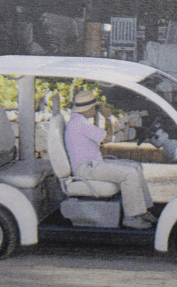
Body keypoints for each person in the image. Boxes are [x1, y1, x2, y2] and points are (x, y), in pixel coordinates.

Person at [64, 89, 157, 229]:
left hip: (93, 164)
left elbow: (101, 137)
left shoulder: (78, 121)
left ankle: (143, 211)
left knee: (135, 166)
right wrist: (107, 117)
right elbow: (107, 138)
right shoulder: (79, 123)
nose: (96, 110)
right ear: (87, 108)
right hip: (86, 168)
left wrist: (101, 116)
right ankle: (130, 218)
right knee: (129, 174)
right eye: (95, 107)